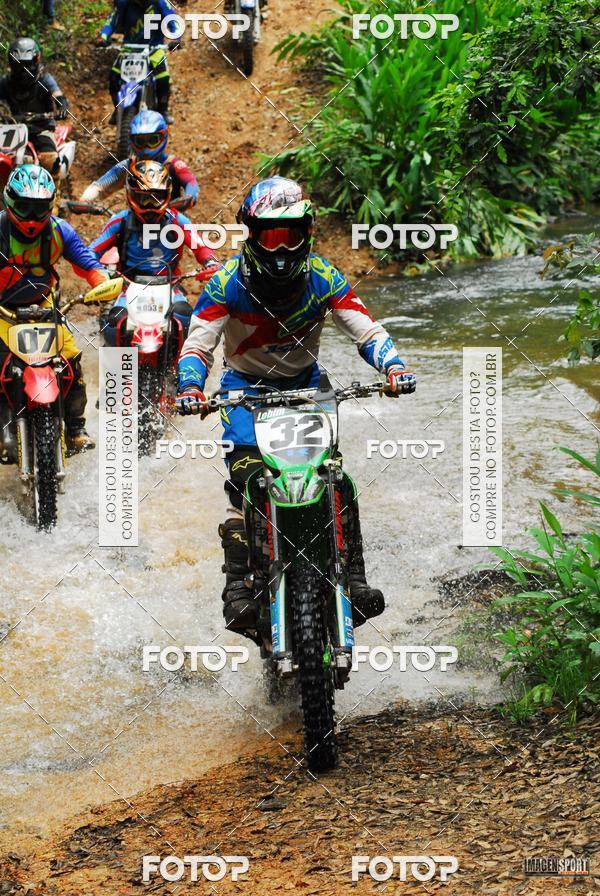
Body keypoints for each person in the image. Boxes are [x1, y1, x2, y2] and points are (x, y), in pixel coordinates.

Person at [175, 176, 416, 635]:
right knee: (247, 480)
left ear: (307, 233)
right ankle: (237, 588)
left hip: (308, 389)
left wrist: (394, 366)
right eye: (272, 237)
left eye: (291, 235)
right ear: (252, 235)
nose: (282, 248)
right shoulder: (225, 283)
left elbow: (367, 330)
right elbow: (198, 346)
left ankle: (355, 579)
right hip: (244, 392)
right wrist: (190, 388)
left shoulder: (325, 278)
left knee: (334, 478)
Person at [0, 165, 110, 452]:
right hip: (2, 310)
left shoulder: (60, 231)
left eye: (39, 209)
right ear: (10, 201)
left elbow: (89, 265)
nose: (32, 217)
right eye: (24, 207)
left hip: (44, 307)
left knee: (71, 358)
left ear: (49, 206)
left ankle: (75, 428)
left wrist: (102, 284)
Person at [88, 159, 217, 343]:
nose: (150, 205)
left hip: (170, 284)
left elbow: (201, 246)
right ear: (131, 194)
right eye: (144, 198)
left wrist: (210, 262)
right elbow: (91, 252)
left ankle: (183, 362)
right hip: (128, 285)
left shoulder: (177, 220)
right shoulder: (120, 221)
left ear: (167, 195)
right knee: (114, 323)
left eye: (156, 198)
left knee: (184, 316)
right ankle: (116, 363)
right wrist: (98, 273)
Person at [80, 111, 199, 209]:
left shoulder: (173, 164)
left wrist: (190, 196)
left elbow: (191, 182)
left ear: (163, 137)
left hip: (170, 220)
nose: (146, 147)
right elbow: (101, 185)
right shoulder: (129, 165)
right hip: (134, 221)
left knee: (187, 230)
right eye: (140, 141)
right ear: (132, 140)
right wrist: (85, 199)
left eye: (152, 140)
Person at [95, 0, 179, 124]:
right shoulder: (124, 2)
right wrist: (103, 37)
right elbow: (112, 21)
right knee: (113, 77)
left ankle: (163, 109)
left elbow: (173, 20)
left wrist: (176, 38)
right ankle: (117, 108)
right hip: (129, 49)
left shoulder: (160, 2)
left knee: (163, 78)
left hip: (154, 48)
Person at [0, 39, 70, 174]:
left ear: (36, 60)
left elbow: (57, 94)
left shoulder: (44, 79)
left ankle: (53, 186)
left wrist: (63, 106)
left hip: (41, 127)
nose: (23, 70)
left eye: (27, 64)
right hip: (13, 128)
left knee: (50, 160)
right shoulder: (5, 82)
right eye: (19, 65)